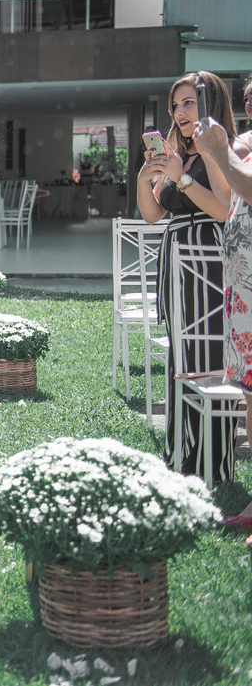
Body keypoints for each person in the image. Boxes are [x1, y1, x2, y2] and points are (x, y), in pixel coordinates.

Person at [137, 71, 235, 481]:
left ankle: (211, 460)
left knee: (207, 358)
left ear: (211, 103)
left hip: (207, 258)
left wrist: (181, 177)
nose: (181, 111)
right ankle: (179, 452)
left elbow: (222, 209)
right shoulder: (180, 152)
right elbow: (152, 214)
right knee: (181, 356)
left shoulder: (217, 150)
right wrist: (146, 177)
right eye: (176, 104)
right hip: (176, 258)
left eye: (190, 102)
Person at [193, 73, 252, 526]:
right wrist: (215, 153)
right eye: (249, 99)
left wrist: (221, 151)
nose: (250, 107)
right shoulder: (247, 143)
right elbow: (229, 194)